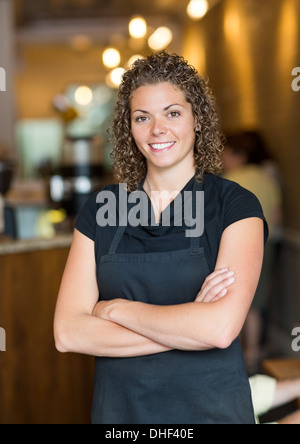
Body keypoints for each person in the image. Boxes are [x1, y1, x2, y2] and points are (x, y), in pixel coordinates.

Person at [54, 52, 268, 424]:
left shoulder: (235, 206)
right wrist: (189, 327)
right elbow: (68, 334)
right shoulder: (101, 209)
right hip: (120, 416)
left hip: (211, 411)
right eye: (142, 117)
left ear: (197, 118)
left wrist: (115, 310)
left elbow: (219, 329)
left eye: (172, 113)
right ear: (129, 128)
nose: (157, 130)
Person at [222, 132, 282, 373]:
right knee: (256, 301)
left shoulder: (232, 179)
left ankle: (237, 351)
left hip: (240, 244)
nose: (223, 158)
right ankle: (254, 352)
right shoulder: (268, 178)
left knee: (235, 296)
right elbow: (277, 215)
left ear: (238, 155)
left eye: (226, 153)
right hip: (269, 243)